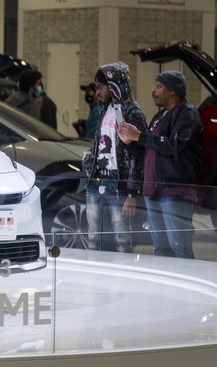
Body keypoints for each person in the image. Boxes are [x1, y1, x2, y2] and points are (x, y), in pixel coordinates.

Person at [118, 70, 203, 259]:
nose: (153, 91)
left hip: (174, 190)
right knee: (161, 248)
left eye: (158, 86)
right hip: (153, 190)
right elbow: (148, 151)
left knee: (179, 245)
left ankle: (185, 286)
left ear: (173, 91)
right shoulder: (159, 116)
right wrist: (130, 143)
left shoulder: (187, 114)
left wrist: (140, 136)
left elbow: (175, 145)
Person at [81, 62, 147, 252]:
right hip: (96, 181)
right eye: (96, 88)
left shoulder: (131, 112)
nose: (97, 93)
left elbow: (138, 155)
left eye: (100, 87)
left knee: (122, 239)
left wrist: (132, 193)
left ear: (113, 86)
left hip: (118, 184)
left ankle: (124, 278)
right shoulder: (103, 110)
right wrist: (88, 164)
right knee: (93, 237)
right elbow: (99, 143)